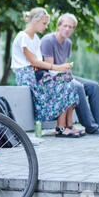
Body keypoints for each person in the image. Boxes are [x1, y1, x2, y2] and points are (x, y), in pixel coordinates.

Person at [40, 13, 99, 136]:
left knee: (93, 86)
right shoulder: (48, 40)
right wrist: (70, 80)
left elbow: (65, 65)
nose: (68, 29)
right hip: (50, 78)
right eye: (65, 26)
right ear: (58, 26)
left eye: (71, 27)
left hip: (63, 75)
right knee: (77, 86)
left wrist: (69, 76)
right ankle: (91, 127)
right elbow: (51, 69)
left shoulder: (68, 43)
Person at [11, 7, 82, 137]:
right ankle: (61, 128)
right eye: (44, 23)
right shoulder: (23, 37)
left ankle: (67, 126)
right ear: (35, 21)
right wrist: (58, 67)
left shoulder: (36, 39)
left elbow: (37, 63)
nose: (46, 26)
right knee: (63, 84)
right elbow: (34, 62)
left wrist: (39, 65)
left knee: (68, 81)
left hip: (37, 73)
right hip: (27, 76)